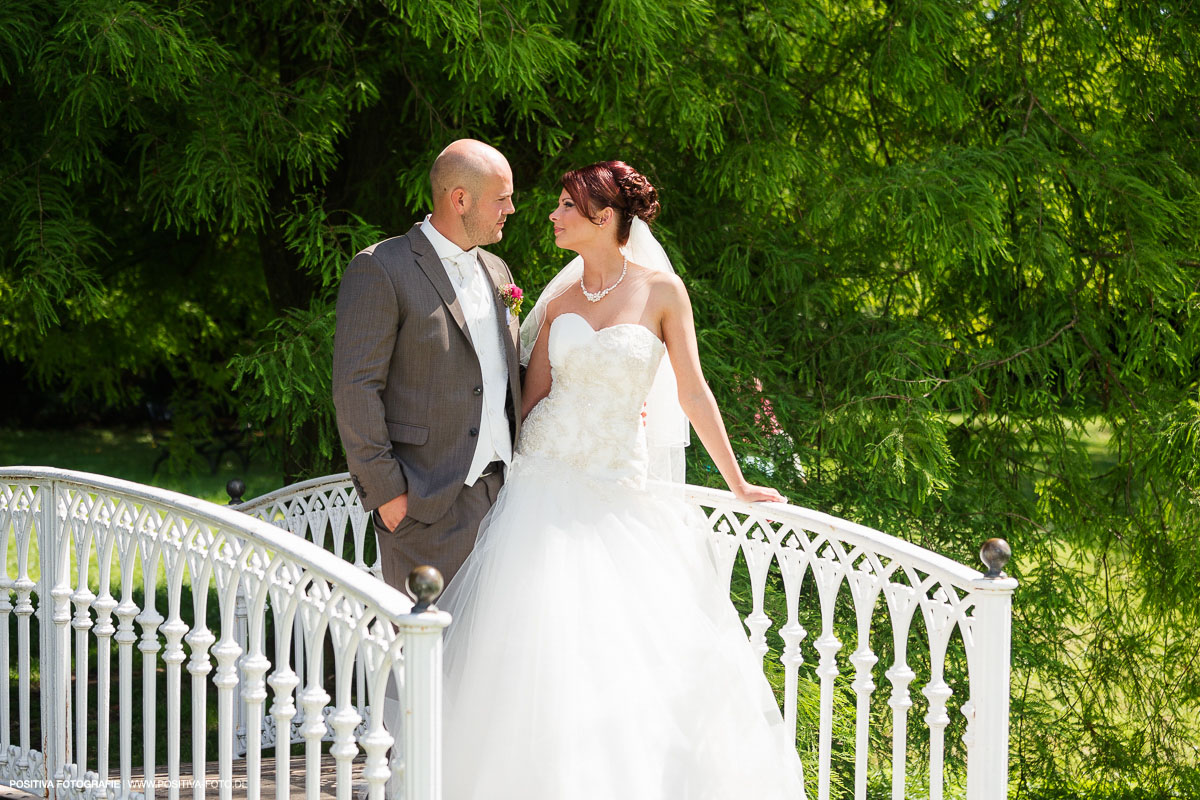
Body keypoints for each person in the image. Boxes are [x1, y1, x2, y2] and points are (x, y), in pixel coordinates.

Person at [439, 161, 807, 798]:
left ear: (604, 218)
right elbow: (528, 403)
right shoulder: (556, 301)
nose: (550, 216)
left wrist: (739, 483)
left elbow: (693, 392)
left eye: (564, 206)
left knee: (627, 656)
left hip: (616, 490)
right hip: (544, 488)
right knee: (538, 653)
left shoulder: (662, 292)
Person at [332, 139, 522, 590]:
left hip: (505, 498)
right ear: (460, 199)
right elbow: (355, 388)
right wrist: (388, 495)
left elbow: (505, 374)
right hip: (424, 504)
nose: (511, 209)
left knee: (492, 652)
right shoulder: (381, 268)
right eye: (501, 198)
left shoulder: (498, 271)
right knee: (427, 653)